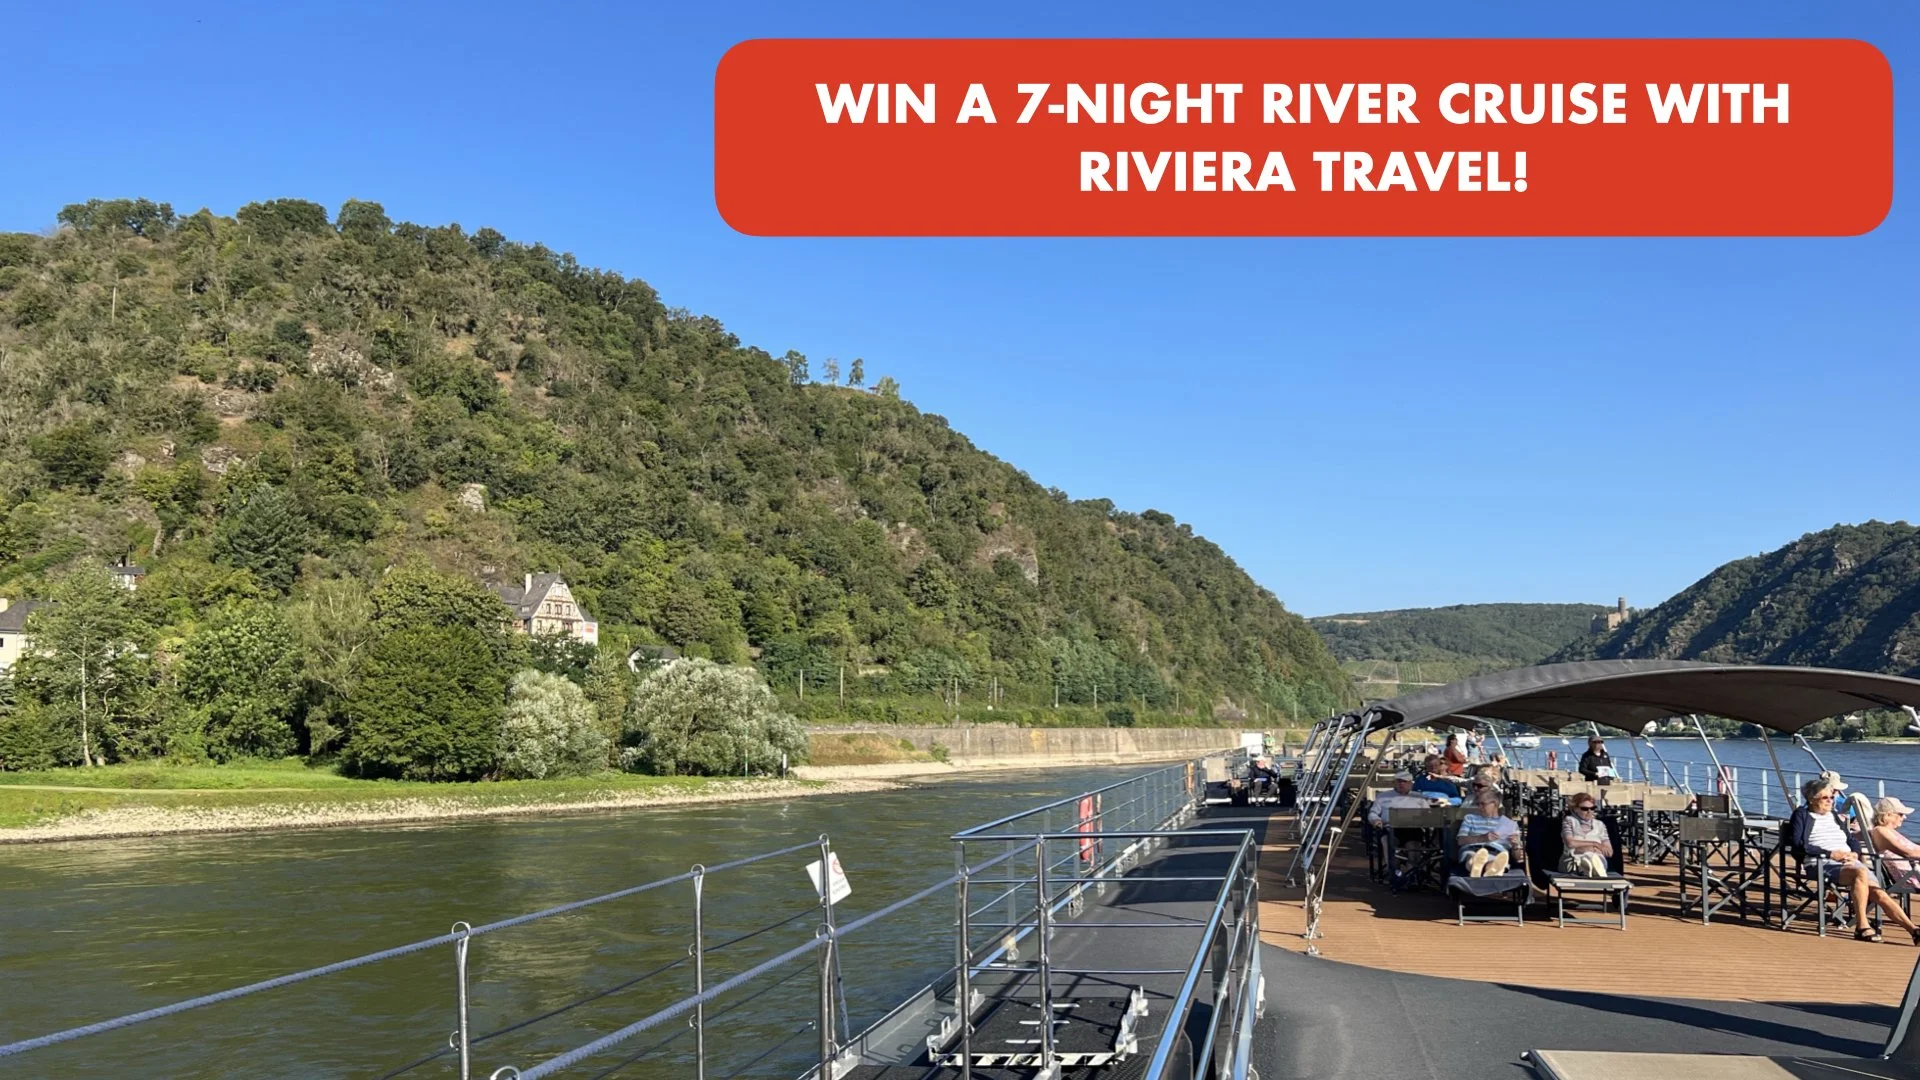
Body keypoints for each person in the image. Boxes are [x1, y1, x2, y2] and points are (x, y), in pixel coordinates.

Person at [1789, 776, 1920, 944]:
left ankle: (1914, 931)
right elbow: (1798, 844)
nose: (1830, 801)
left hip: (1848, 862)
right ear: (1812, 799)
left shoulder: (1833, 815)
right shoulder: (1802, 815)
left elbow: (1851, 839)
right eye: (1825, 797)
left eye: (1832, 797)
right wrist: (1830, 854)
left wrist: (1855, 853)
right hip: (1821, 863)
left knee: (1879, 893)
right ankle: (1862, 926)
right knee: (1861, 873)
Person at [1458, 791, 1522, 877]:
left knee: (1495, 860)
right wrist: (1483, 838)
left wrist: (1515, 845)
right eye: (1478, 804)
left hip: (1496, 852)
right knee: (1472, 856)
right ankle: (1479, 867)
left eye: (1483, 804)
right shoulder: (1470, 818)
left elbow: (1517, 857)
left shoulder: (1509, 824)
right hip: (1472, 848)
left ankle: (1488, 869)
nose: (1479, 807)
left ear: (1494, 804)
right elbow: (1460, 841)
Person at [1868, 797, 1920, 890]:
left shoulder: (1890, 831)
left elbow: (1914, 850)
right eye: (1901, 814)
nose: (1904, 817)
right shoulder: (1881, 831)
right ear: (1888, 815)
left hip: (1912, 871)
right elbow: (1908, 853)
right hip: (1909, 877)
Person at [1560, 793, 1614, 877]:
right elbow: (1570, 843)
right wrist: (1595, 845)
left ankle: (1590, 867)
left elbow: (1609, 852)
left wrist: (1585, 849)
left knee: (1594, 858)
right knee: (1587, 858)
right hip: (1573, 860)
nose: (1589, 811)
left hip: (1598, 858)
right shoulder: (1569, 821)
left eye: (1592, 808)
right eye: (1584, 809)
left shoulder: (1600, 825)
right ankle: (1590, 867)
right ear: (1575, 809)